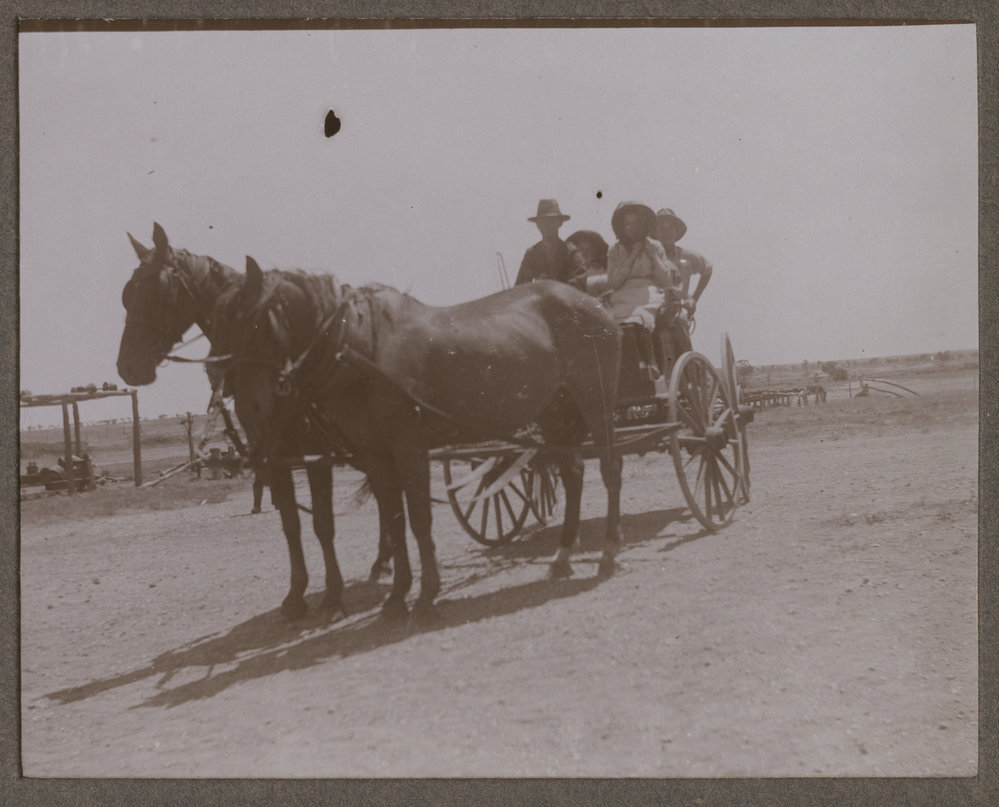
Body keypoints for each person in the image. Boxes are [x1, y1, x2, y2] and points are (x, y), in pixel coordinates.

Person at [604, 201, 681, 331]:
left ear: (642, 224)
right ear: (621, 227)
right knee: (612, 324)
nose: (631, 228)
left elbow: (666, 281)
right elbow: (613, 284)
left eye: (635, 223)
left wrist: (653, 256)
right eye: (627, 224)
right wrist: (632, 256)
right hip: (621, 296)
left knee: (641, 320)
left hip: (649, 295)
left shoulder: (655, 246)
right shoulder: (614, 250)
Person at [653, 208, 713, 321]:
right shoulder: (648, 257)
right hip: (651, 311)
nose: (666, 232)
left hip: (676, 312)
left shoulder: (686, 256)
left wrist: (694, 299)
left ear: (676, 232)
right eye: (661, 229)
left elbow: (708, 269)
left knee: (680, 326)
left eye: (670, 228)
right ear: (655, 233)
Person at [514, 199, 584, 289]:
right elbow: (520, 288)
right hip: (539, 302)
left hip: (565, 302)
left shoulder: (571, 253)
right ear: (537, 225)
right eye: (542, 221)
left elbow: (578, 287)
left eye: (551, 220)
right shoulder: (531, 254)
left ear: (559, 223)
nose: (547, 225)